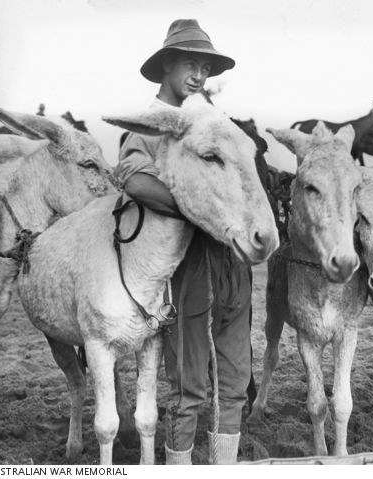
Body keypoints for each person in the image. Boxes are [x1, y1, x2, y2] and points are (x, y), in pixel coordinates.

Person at [113, 19, 255, 465]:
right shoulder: (148, 125)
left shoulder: (210, 120)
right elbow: (135, 181)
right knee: (187, 383)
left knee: (235, 375)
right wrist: (196, 208)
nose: (199, 76)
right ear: (166, 66)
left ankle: (225, 466)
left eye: (206, 68)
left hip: (230, 259)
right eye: (191, 65)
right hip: (184, 264)